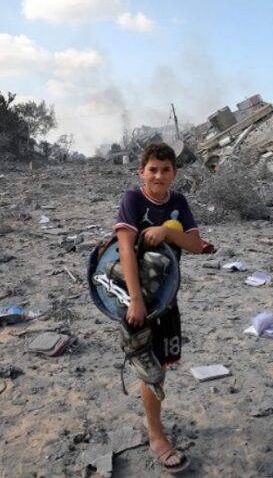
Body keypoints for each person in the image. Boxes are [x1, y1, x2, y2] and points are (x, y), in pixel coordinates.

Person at [114, 142, 203, 474]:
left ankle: (155, 425)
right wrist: (135, 300)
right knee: (150, 369)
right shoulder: (133, 200)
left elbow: (194, 244)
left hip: (167, 299)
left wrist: (167, 231)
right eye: (153, 169)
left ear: (174, 173)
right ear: (142, 172)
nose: (159, 175)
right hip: (137, 299)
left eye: (166, 170)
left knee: (162, 366)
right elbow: (124, 251)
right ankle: (156, 436)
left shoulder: (178, 202)